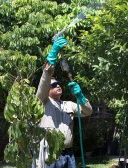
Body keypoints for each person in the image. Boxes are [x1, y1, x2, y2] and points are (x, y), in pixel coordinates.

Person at [35, 36, 93, 167]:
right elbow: (43, 83)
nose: (58, 86)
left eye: (59, 84)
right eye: (53, 85)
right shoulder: (42, 101)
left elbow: (87, 111)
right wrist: (51, 59)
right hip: (49, 153)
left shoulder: (67, 105)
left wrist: (81, 97)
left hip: (68, 154)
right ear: (47, 90)